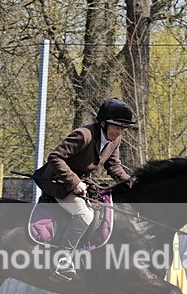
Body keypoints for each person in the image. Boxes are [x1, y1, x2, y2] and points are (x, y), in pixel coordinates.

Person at [32, 98, 135, 282]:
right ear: (103, 123)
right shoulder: (83, 135)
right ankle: (62, 261)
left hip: (83, 183)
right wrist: (74, 182)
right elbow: (55, 157)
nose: (119, 132)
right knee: (84, 215)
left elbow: (114, 166)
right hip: (59, 181)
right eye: (116, 127)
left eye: (122, 128)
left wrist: (132, 184)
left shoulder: (114, 140)